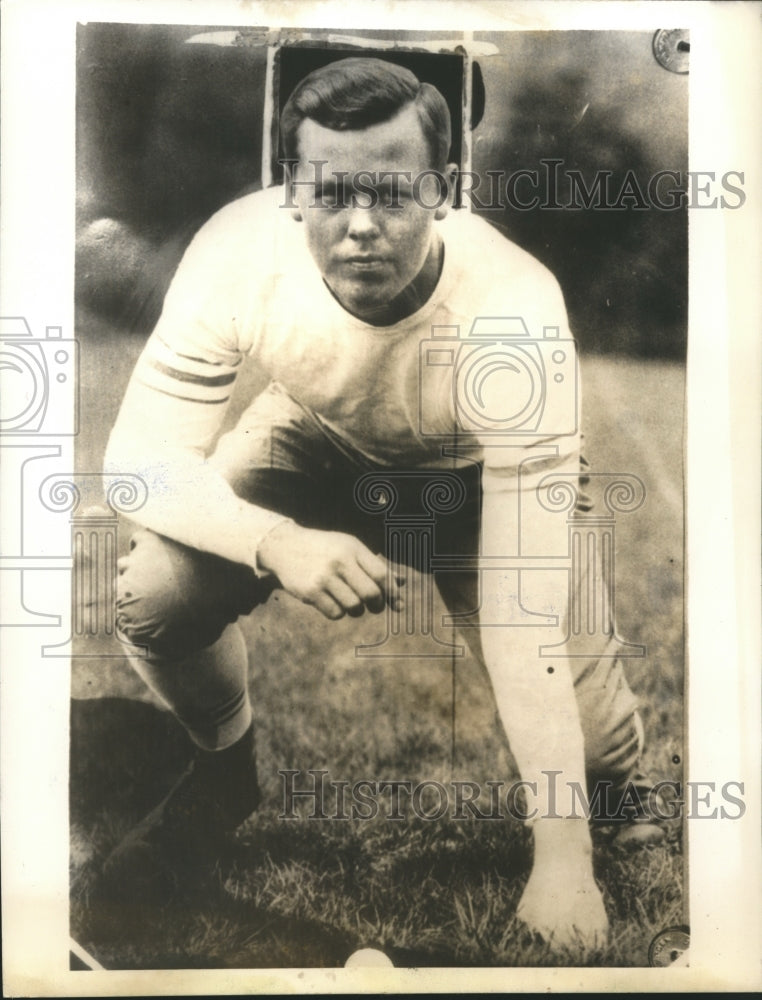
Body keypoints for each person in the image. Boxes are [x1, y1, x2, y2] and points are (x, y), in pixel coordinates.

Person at [101, 57, 661, 951]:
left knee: (590, 748)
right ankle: (223, 765)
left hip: (480, 481)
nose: (360, 224)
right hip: (317, 440)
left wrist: (562, 866)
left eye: (392, 194)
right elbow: (137, 462)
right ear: (291, 190)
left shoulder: (513, 308)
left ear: (444, 190)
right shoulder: (239, 247)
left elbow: (522, 613)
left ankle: (619, 798)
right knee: (154, 591)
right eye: (331, 194)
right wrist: (274, 540)